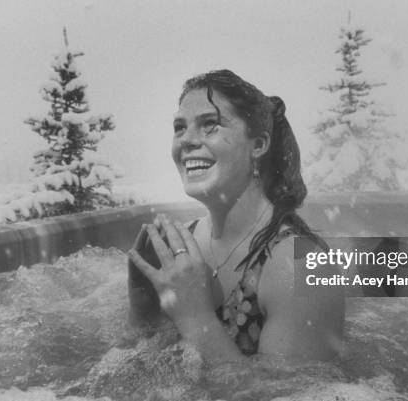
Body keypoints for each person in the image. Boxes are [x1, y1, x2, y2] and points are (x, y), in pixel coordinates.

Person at [127, 69, 345, 362]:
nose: (187, 140)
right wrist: (144, 307)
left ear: (258, 144)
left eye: (210, 125)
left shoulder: (305, 265)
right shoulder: (182, 243)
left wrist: (195, 316)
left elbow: (285, 394)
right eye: (180, 127)